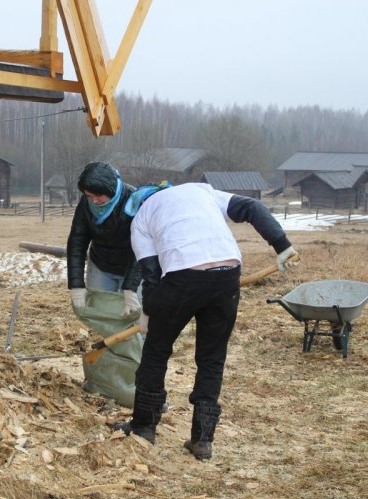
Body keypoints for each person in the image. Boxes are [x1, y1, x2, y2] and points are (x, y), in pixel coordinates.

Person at [115, 182, 298, 460]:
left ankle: (144, 427)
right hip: (227, 272)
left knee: (156, 352)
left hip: (181, 277)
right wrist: (282, 246)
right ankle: (202, 440)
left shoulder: (141, 217)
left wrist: (149, 315)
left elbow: (151, 275)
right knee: (212, 357)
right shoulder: (201, 191)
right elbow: (251, 207)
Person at [66, 161, 142, 316]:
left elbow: (142, 246)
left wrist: (131, 287)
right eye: (89, 195)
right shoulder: (86, 204)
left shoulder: (133, 201)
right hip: (100, 265)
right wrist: (76, 284)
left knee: (133, 315)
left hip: (132, 267)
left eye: (98, 195)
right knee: (102, 313)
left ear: (110, 189)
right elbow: (77, 242)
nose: (94, 200)